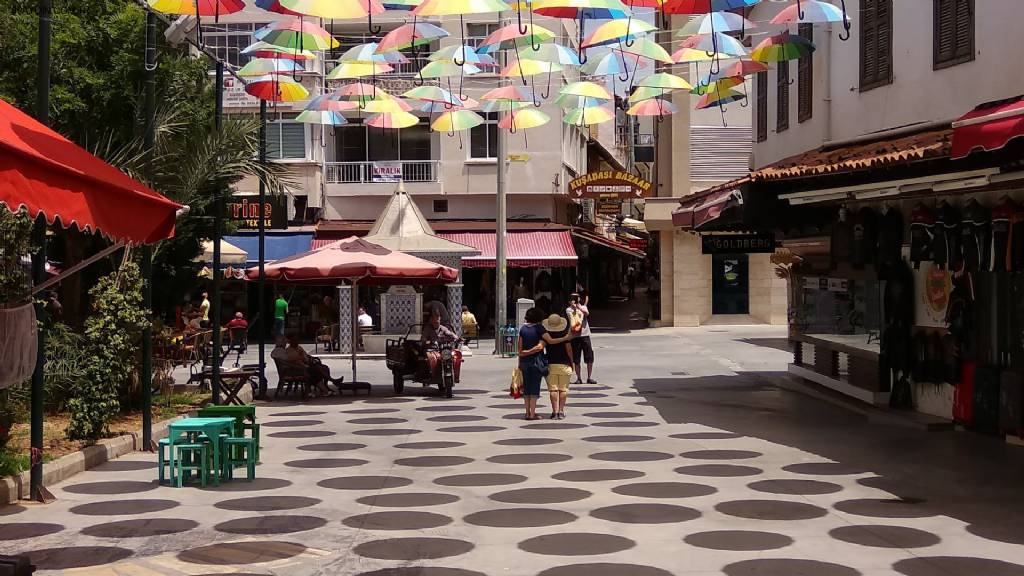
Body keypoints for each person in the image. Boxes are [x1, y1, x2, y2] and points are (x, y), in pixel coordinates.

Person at [542, 313, 573, 419]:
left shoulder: (546, 336)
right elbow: (569, 350)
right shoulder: (565, 335)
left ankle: (554, 411)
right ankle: (561, 411)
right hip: (564, 363)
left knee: (553, 390)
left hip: (550, 363)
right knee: (563, 389)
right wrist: (571, 362)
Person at [518, 307, 546, 420]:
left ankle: (526, 412)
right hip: (536, 361)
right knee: (534, 387)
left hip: (524, 362)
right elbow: (540, 346)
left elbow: (519, 348)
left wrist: (523, 355)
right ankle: (532, 413)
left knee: (526, 388)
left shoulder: (523, 329)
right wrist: (530, 351)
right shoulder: (540, 328)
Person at [422, 310, 460, 382]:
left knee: (454, 356)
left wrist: (456, 338)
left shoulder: (443, 328)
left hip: (442, 350)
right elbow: (423, 338)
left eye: (438, 320)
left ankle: (454, 374)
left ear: (440, 319)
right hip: (431, 350)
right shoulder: (427, 329)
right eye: (434, 320)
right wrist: (427, 341)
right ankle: (431, 373)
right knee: (431, 358)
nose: (436, 322)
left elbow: (450, 333)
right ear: (431, 320)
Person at [567, 293, 596, 384]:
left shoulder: (583, 307)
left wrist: (579, 307)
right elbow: (572, 318)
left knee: (589, 357)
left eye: (577, 297)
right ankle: (578, 378)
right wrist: (574, 307)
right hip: (575, 336)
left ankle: (589, 377)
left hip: (585, 334)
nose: (576, 299)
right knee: (576, 358)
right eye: (573, 298)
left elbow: (586, 314)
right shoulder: (568, 309)